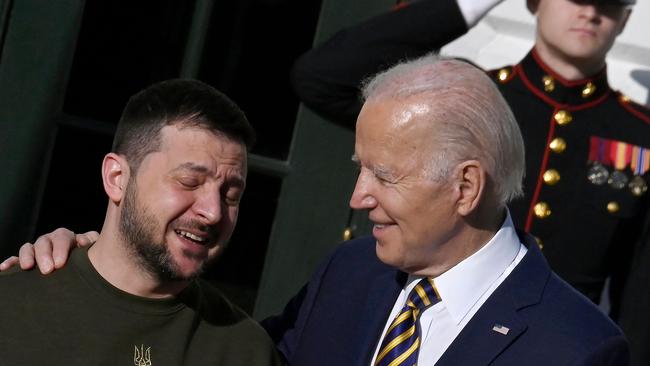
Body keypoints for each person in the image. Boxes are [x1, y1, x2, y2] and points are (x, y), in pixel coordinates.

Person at [9, 55, 630, 365]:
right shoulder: (351, 273)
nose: (358, 197)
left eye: (382, 175)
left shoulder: (577, 350)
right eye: (359, 169)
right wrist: (94, 265)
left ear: (465, 188)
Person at [288, 0, 650, 364]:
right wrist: (465, 5)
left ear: (626, 19)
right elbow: (320, 77)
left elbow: (640, 296)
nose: (590, 12)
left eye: (607, 3)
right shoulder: (470, 102)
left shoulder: (638, 135)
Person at [0, 79, 282, 365]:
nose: (213, 212)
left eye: (231, 195)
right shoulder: (12, 308)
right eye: (189, 182)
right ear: (117, 178)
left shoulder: (245, 351)